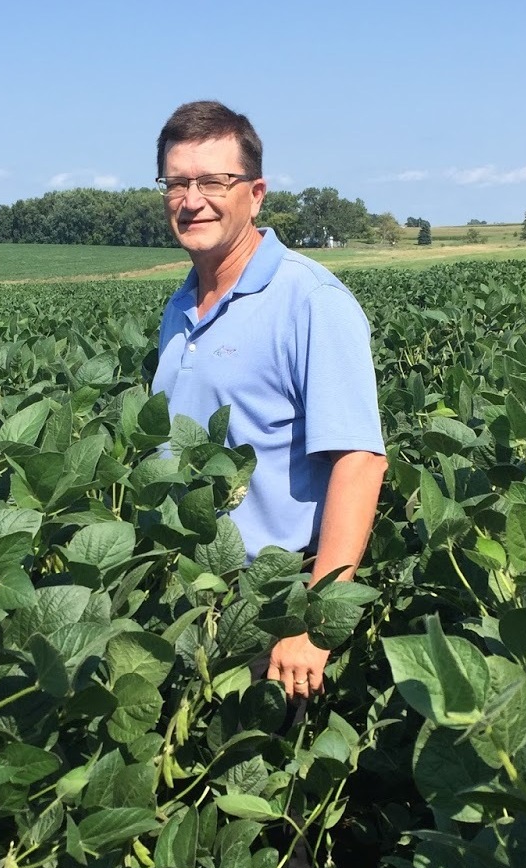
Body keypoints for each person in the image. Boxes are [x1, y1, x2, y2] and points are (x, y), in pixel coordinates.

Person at [152, 100, 387, 701]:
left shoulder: (310, 300)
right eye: (177, 182)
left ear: (255, 194)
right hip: (191, 602)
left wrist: (312, 621)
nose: (192, 199)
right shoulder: (179, 308)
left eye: (214, 181)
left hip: (273, 615)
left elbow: (359, 460)